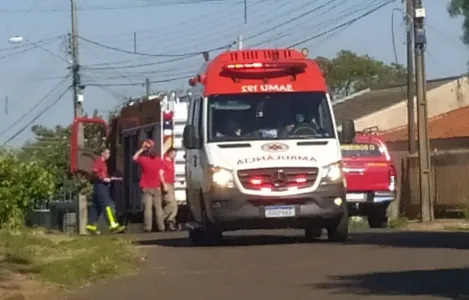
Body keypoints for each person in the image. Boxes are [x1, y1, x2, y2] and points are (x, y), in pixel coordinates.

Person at [86, 147, 125, 235]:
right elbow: (94, 173)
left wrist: (112, 178)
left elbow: (103, 174)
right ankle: (113, 225)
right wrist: (102, 179)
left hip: (101, 185)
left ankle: (91, 226)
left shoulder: (104, 163)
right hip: (100, 186)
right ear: (102, 153)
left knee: (96, 206)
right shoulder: (99, 161)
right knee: (108, 205)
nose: (108, 155)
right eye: (107, 153)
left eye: (109, 153)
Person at [133, 140, 165, 233]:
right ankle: (161, 227)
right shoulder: (159, 161)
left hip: (146, 187)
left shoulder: (144, 160)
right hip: (157, 186)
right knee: (158, 208)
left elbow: (134, 158)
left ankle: (148, 227)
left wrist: (142, 149)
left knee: (148, 208)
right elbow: (161, 172)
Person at [161, 147, 178, 231]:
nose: (175, 156)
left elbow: (171, 174)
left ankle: (170, 220)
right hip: (167, 184)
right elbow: (161, 174)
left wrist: (176, 179)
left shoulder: (171, 162)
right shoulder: (164, 162)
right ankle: (160, 219)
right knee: (170, 203)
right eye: (174, 154)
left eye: (175, 155)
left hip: (171, 184)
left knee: (175, 206)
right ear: (169, 153)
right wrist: (164, 184)